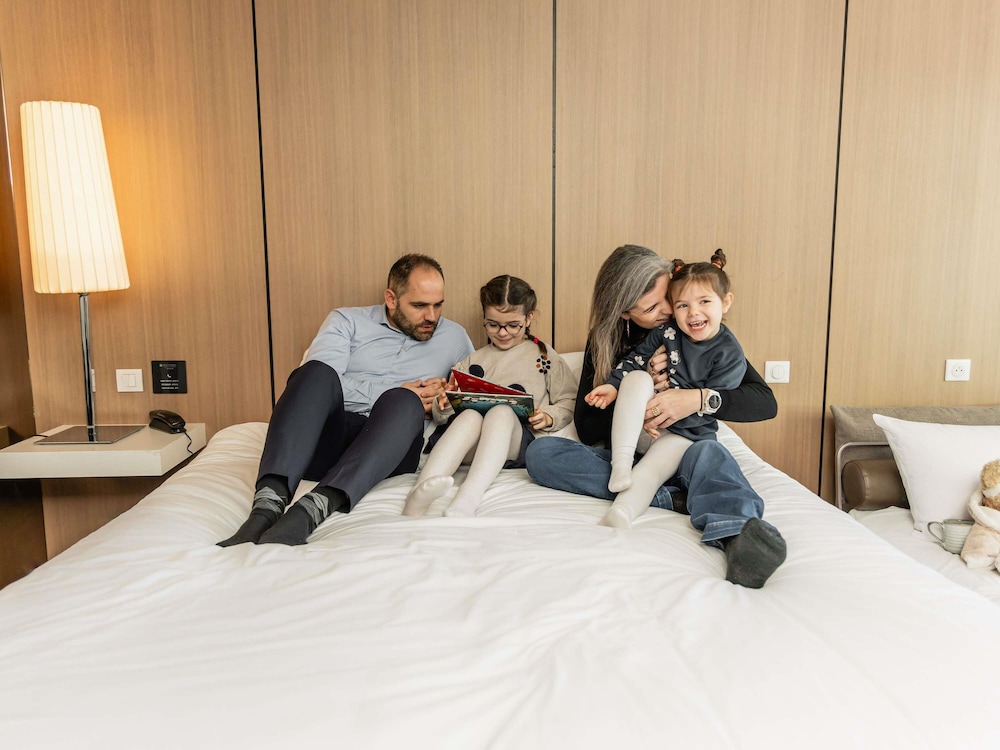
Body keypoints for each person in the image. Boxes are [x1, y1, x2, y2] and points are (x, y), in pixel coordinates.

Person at [524, 245, 786, 588]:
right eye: (651, 307)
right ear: (624, 313)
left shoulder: (695, 331)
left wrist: (695, 399)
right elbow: (587, 429)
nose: (669, 310)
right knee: (541, 453)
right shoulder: (605, 342)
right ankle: (670, 497)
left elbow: (764, 402)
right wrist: (641, 391)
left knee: (712, 454)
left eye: (669, 298)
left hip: (686, 442)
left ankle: (738, 537)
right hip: (628, 451)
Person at [218, 254, 474, 547]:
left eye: (438, 305)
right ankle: (265, 508)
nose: (431, 316)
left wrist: (445, 398)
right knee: (315, 372)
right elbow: (321, 385)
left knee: (405, 401)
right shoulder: (347, 321)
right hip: (328, 439)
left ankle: (311, 510)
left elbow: (471, 401)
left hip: (392, 448)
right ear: (391, 298)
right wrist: (392, 389)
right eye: (419, 306)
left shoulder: (455, 338)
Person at [586, 249, 748, 528]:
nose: (692, 312)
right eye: (682, 304)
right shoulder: (669, 332)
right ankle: (620, 464)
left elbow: (719, 404)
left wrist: (668, 414)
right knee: (637, 378)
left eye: (704, 302)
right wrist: (613, 386)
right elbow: (634, 360)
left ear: (725, 303)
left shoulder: (729, 353)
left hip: (684, 434)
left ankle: (623, 511)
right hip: (638, 431)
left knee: (652, 469)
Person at [403, 275, 577, 517]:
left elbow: (569, 400)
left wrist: (548, 417)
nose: (502, 332)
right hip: (470, 442)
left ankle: (468, 496)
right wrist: (444, 404)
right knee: (470, 416)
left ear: (529, 318)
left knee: (501, 412)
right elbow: (441, 415)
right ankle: (420, 492)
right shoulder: (472, 360)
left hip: (512, 443)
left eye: (513, 325)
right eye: (493, 325)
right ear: (484, 318)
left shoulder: (544, 357)